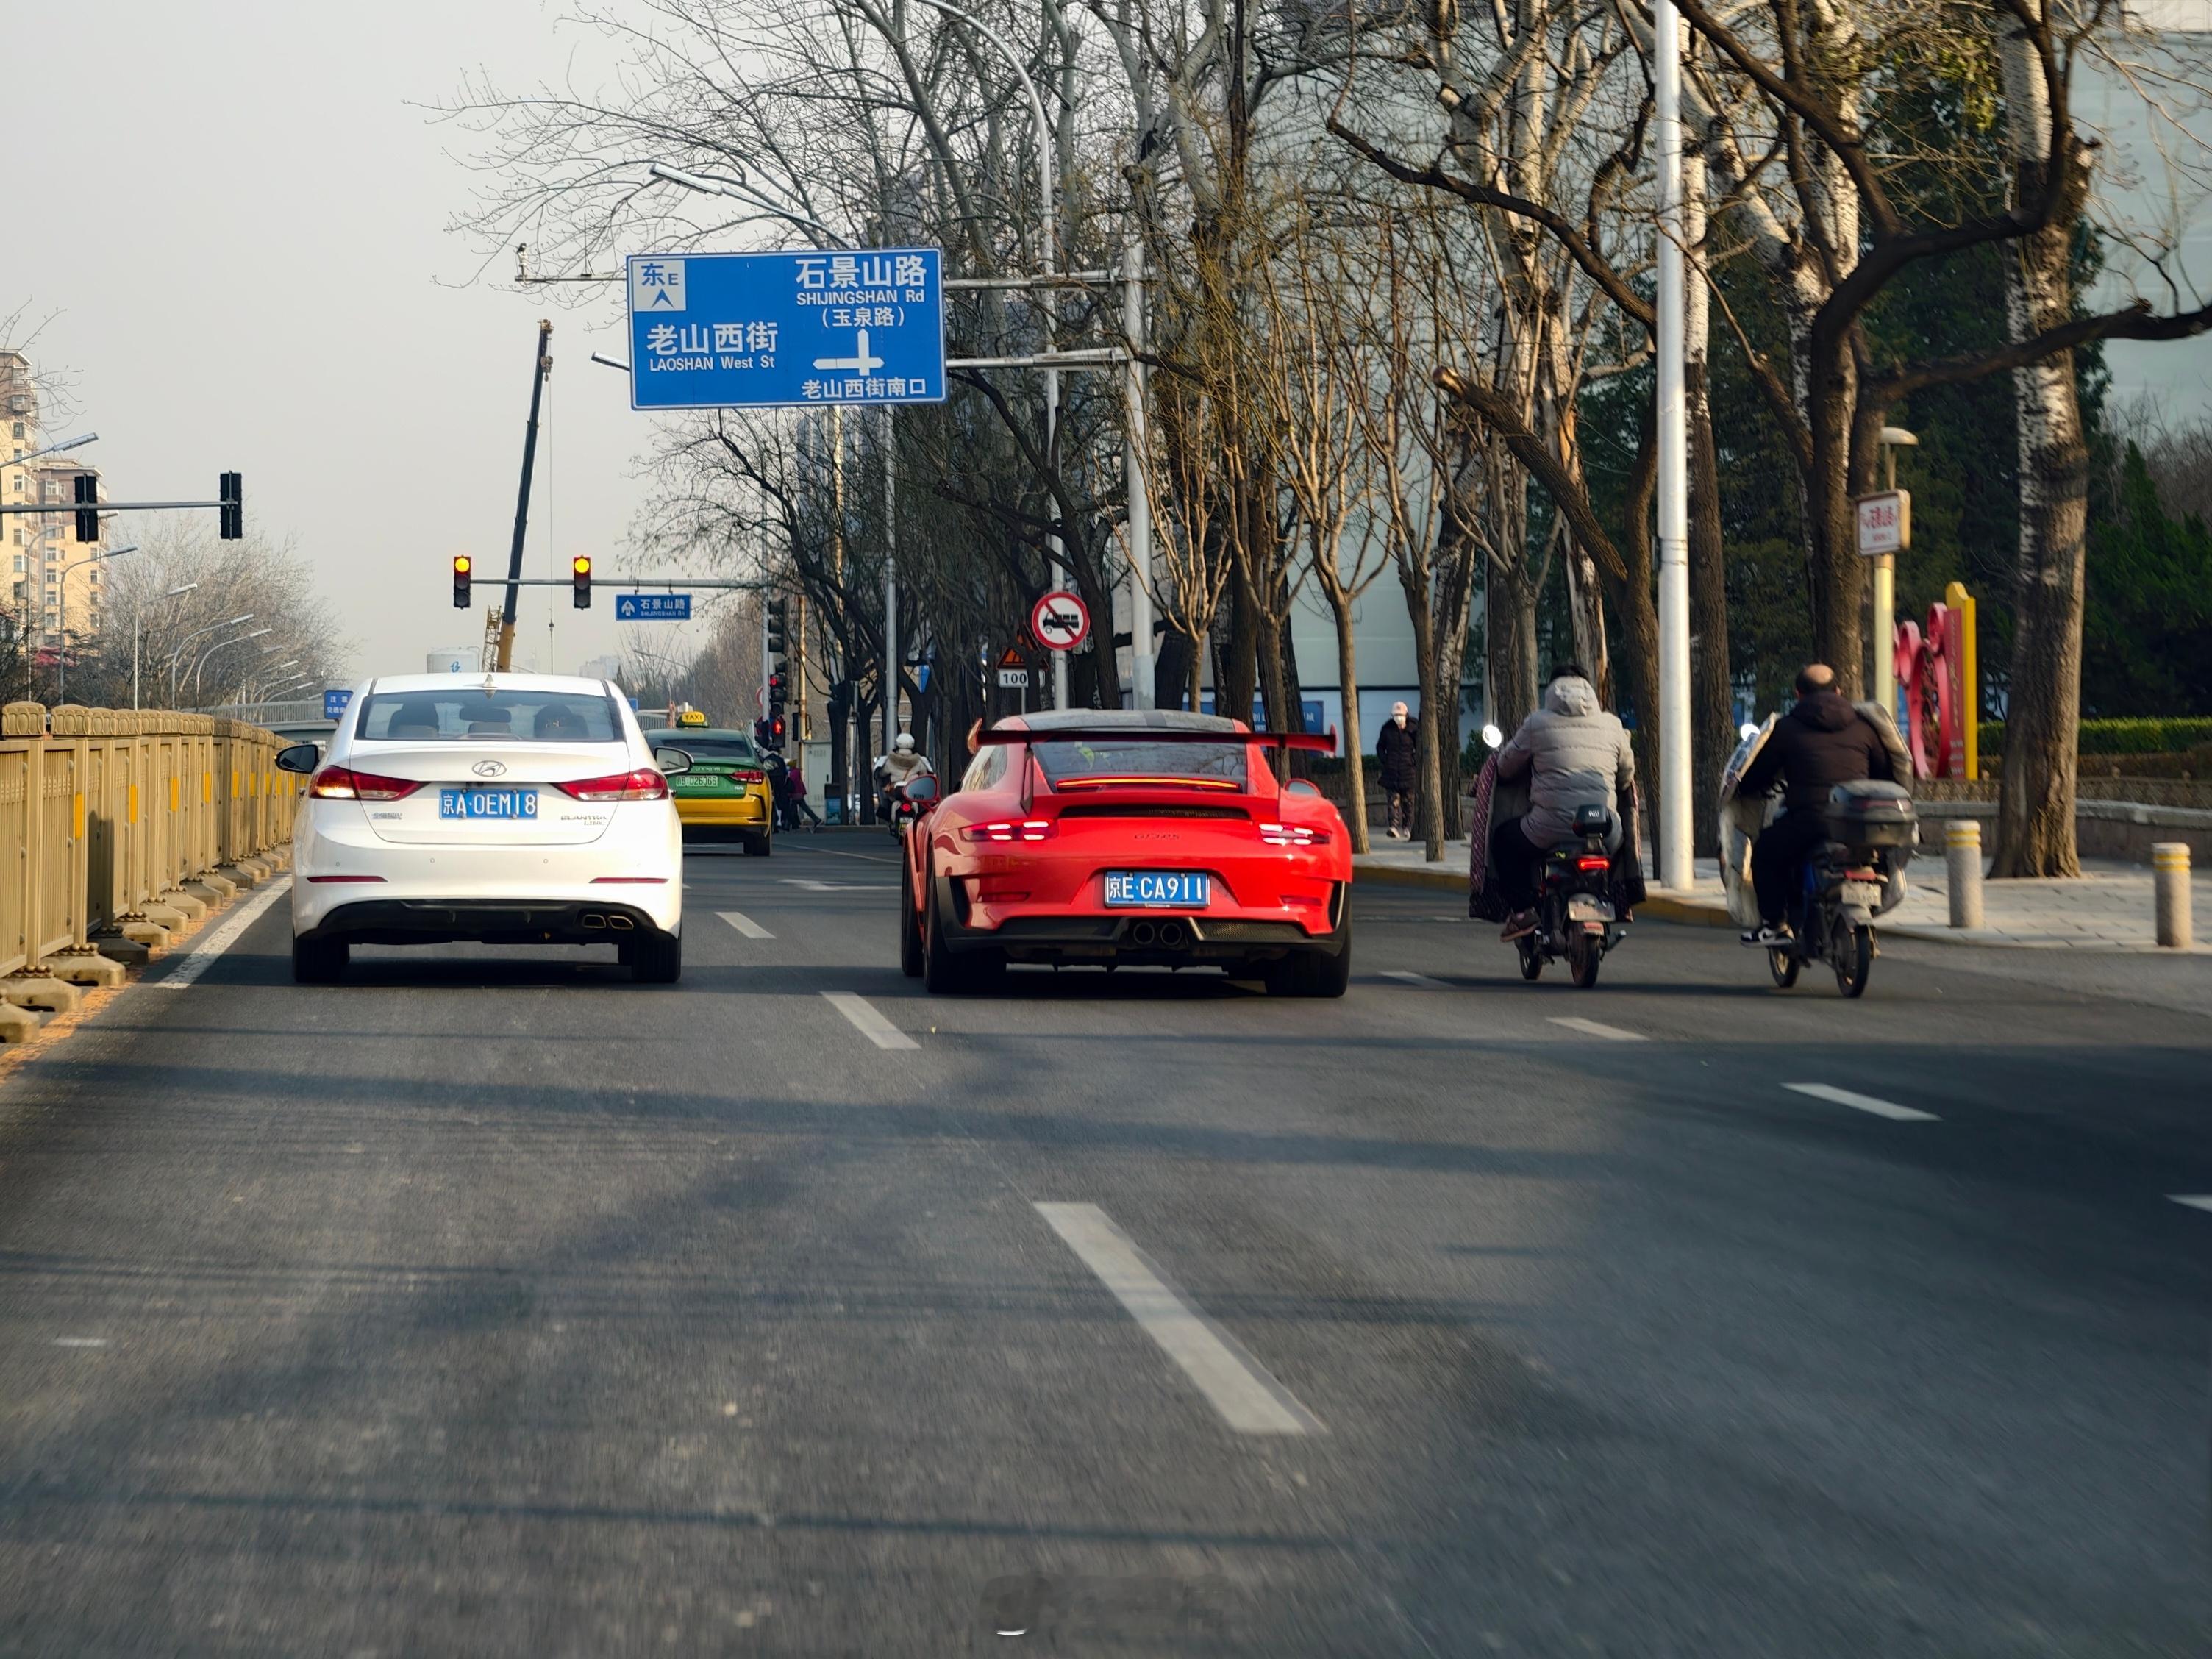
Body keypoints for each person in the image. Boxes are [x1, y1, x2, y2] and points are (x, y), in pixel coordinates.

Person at [1735, 662, 1897, 946]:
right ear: (1838, 691)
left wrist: (1745, 789)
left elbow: (1758, 774)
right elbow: (1884, 772)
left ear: (1798, 694)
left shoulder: (1786, 729)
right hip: (1858, 824)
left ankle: (1775, 924)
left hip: (1810, 819)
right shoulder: (1865, 728)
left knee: (1765, 852)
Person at [1488, 663, 1636, 940]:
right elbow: (1627, 775)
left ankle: (1522, 911)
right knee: (1617, 844)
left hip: (1548, 828)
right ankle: (1611, 894)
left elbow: (1506, 767)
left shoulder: (1537, 723)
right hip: (1605, 829)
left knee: (1504, 841)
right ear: (1589, 689)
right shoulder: (1612, 724)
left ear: (1551, 690)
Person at [1375, 701, 1420, 840]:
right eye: (1396, 715)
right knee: (1393, 802)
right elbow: (1380, 747)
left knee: (1408, 803)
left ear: (1406, 715)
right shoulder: (1387, 729)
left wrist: (1414, 761)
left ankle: (1408, 827)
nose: (1398, 717)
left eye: (1400, 715)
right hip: (1392, 772)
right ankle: (1393, 827)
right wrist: (1385, 761)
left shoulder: (1414, 728)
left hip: (1409, 772)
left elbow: (1419, 746)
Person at [876, 732, 934, 817]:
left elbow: (882, 774)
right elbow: (924, 775)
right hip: (914, 790)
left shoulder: (890, 761)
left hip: (896, 791)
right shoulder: (919, 761)